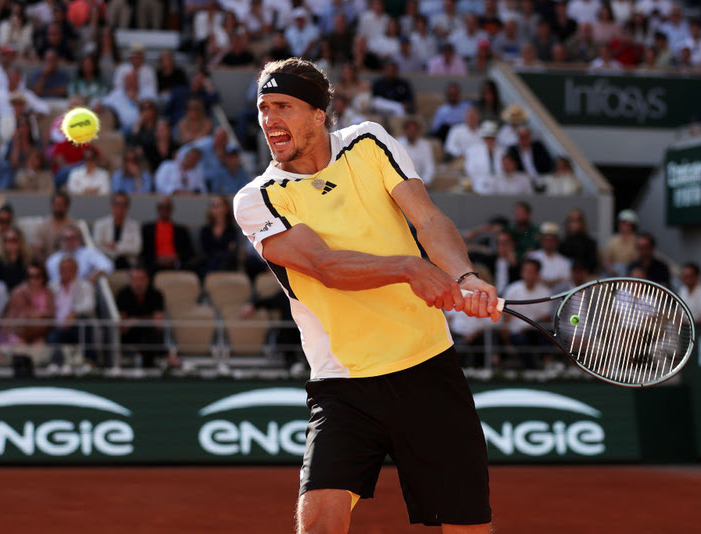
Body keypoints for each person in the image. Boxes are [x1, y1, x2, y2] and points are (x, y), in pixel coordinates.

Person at [234, 58, 500, 533]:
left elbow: (429, 219)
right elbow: (323, 266)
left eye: (284, 106)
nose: (270, 119)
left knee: (466, 529)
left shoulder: (369, 141)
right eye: (263, 107)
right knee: (319, 524)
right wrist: (410, 268)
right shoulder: (258, 198)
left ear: (318, 113)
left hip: (428, 370)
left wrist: (464, 276)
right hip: (343, 384)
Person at [116, 265, 177, 368]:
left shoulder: (156, 294)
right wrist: (146, 319)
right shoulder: (122, 295)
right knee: (148, 334)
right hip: (130, 335)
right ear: (130, 280)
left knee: (151, 333)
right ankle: (167, 356)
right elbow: (123, 327)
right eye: (134, 279)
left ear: (147, 280)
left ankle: (156, 361)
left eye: (141, 279)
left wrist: (136, 320)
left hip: (150, 334)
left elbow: (158, 324)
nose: (137, 283)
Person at [500, 258, 551, 369]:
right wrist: (506, 337)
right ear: (522, 272)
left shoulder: (545, 291)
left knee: (546, 337)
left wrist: (530, 327)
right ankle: (532, 370)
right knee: (521, 340)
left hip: (537, 331)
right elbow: (506, 317)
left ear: (537, 274)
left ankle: (548, 367)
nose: (529, 274)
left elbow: (546, 317)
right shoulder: (512, 290)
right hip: (516, 333)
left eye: (532, 272)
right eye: (527, 271)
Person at [48, 256, 96, 365]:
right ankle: (56, 365)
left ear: (76, 270)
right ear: (59, 271)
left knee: (83, 324)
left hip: (76, 325)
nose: (66, 272)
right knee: (52, 337)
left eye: (70, 269)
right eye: (63, 269)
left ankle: (90, 362)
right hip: (56, 326)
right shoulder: (52, 286)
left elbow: (89, 306)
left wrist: (74, 313)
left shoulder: (85, 286)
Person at [0, 261, 55, 348]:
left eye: (37, 276)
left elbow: (51, 313)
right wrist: (40, 314)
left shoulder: (48, 292)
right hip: (17, 331)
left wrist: (39, 314)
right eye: (30, 276)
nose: (33, 280)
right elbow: (23, 314)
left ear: (43, 276)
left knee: (39, 346)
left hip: (39, 333)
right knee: (20, 346)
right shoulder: (19, 292)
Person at [141, 197, 195, 274]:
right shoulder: (147, 229)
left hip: (176, 265)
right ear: (157, 209)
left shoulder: (181, 230)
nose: (164, 210)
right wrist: (158, 259)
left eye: (167, 207)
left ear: (172, 209)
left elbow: (190, 252)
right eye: (161, 207)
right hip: (154, 266)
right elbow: (144, 252)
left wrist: (175, 257)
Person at [46, 224, 114, 284]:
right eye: (66, 238)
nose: (69, 242)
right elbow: (54, 282)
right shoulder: (52, 260)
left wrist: (96, 274)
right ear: (61, 240)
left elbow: (107, 265)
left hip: (85, 290)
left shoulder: (89, 253)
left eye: (72, 238)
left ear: (79, 239)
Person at [93, 192, 142, 270]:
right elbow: (98, 247)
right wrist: (123, 249)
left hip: (128, 264)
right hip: (106, 262)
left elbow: (136, 249)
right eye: (117, 204)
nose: (120, 208)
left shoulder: (134, 225)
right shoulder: (100, 224)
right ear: (112, 206)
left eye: (123, 205)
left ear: (127, 207)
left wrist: (116, 246)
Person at [527, 222, 573, 292]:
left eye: (552, 240)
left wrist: (543, 281)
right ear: (541, 240)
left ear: (557, 241)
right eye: (546, 240)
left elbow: (566, 282)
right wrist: (555, 281)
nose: (549, 243)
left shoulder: (564, 262)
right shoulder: (532, 257)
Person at [198, 195, 238, 275]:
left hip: (227, 267)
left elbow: (231, 253)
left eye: (218, 206)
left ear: (226, 208)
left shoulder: (232, 230)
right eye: (213, 206)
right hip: (208, 266)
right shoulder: (205, 231)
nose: (215, 209)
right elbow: (204, 252)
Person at [33, 191, 75, 261]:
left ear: (67, 206)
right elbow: (37, 250)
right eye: (56, 204)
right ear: (52, 205)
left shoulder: (74, 225)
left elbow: (80, 249)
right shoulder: (43, 226)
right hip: (47, 263)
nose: (58, 208)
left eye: (61, 205)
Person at [396, 116, 435, 187]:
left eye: (414, 130)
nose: (411, 132)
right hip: (401, 184)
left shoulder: (425, 145)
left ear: (418, 131)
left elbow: (429, 167)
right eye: (409, 129)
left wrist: (424, 182)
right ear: (404, 130)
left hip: (420, 184)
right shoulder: (397, 144)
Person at [0, 226, 31, 290]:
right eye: (6, 240)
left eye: (13, 240)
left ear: (21, 241)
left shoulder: (29, 261)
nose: (9, 243)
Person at [603, 209, 639, 276]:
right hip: (613, 271)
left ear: (633, 226)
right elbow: (607, 260)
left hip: (630, 271)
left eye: (628, 224)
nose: (625, 227)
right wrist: (612, 270)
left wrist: (628, 272)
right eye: (623, 223)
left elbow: (638, 261)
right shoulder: (613, 240)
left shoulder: (637, 241)